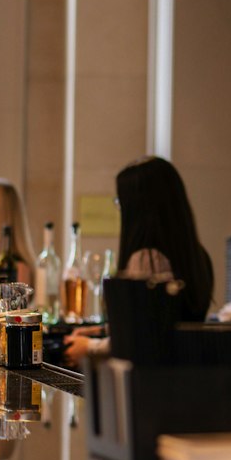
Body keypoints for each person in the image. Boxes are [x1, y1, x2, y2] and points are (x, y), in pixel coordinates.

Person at [63, 155, 213, 364]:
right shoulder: (197, 255)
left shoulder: (147, 258)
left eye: (121, 202)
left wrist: (89, 347)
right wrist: (99, 330)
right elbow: (165, 321)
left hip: (152, 383)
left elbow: (142, 337)